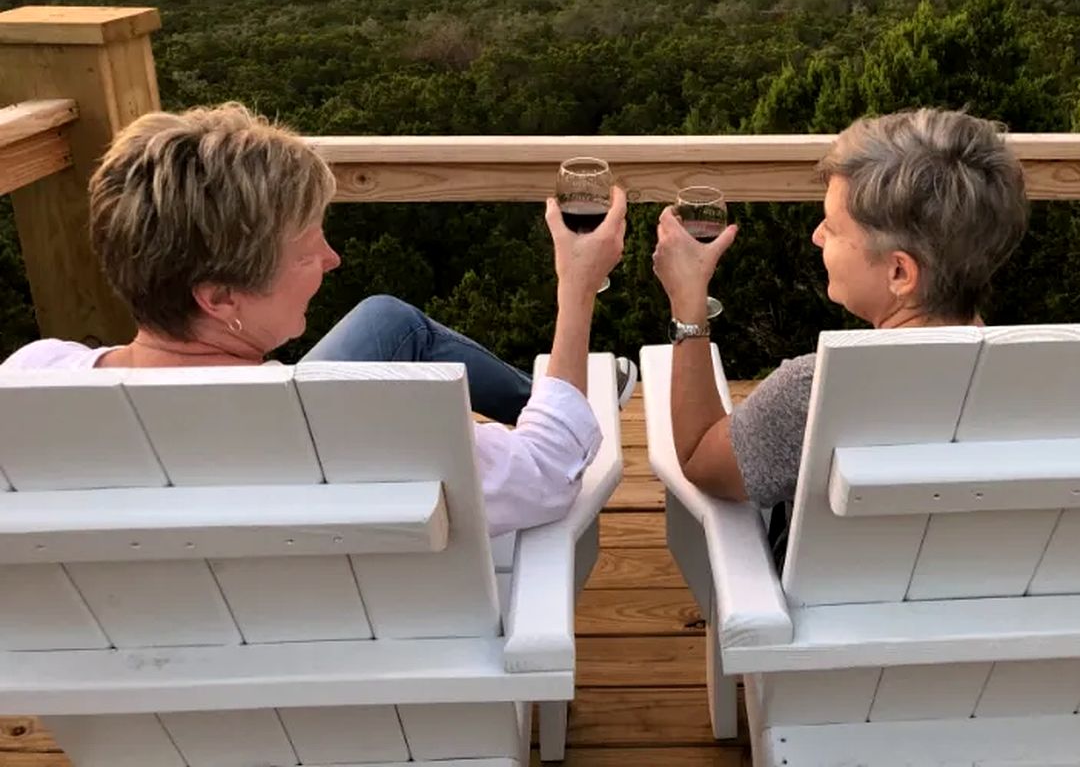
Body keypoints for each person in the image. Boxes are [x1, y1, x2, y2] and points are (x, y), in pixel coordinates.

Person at [2, 102, 634, 535]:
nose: (332, 260)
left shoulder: (29, 381)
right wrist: (575, 288)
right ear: (220, 298)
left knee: (386, 319)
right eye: (308, 249)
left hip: (135, 703)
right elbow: (549, 473)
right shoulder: (359, 424)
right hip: (384, 689)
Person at [651, 108, 1029, 531]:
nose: (816, 236)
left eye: (832, 227)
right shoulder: (1037, 386)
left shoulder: (815, 393)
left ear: (900, 273)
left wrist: (688, 302)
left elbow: (700, 462)